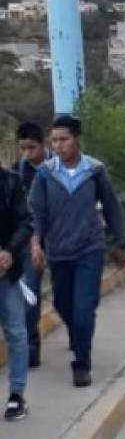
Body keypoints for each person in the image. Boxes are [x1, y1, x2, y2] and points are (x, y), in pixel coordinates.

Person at [30, 116, 125, 388]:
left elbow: (111, 206)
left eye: (64, 139)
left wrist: (121, 241)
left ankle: (81, 363)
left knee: (85, 307)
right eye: (55, 141)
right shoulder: (45, 173)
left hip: (89, 248)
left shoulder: (95, 170)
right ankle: (78, 333)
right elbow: (37, 213)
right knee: (63, 304)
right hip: (59, 250)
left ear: (77, 139)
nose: (59, 145)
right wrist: (36, 243)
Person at [14, 122, 50, 367]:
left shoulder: (56, 168)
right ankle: (31, 344)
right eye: (23, 148)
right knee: (29, 292)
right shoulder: (17, 173)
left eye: (32, 148)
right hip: (29, 241)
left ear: (43, 145)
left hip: (59, 238)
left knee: (67, 295)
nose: (28, 153)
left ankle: (76, 329)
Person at [0, 160, 32, 420]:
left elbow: (25, 222)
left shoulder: (11, 181)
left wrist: (10, 251)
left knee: (16, 333)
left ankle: (16, 394)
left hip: (6, 272)